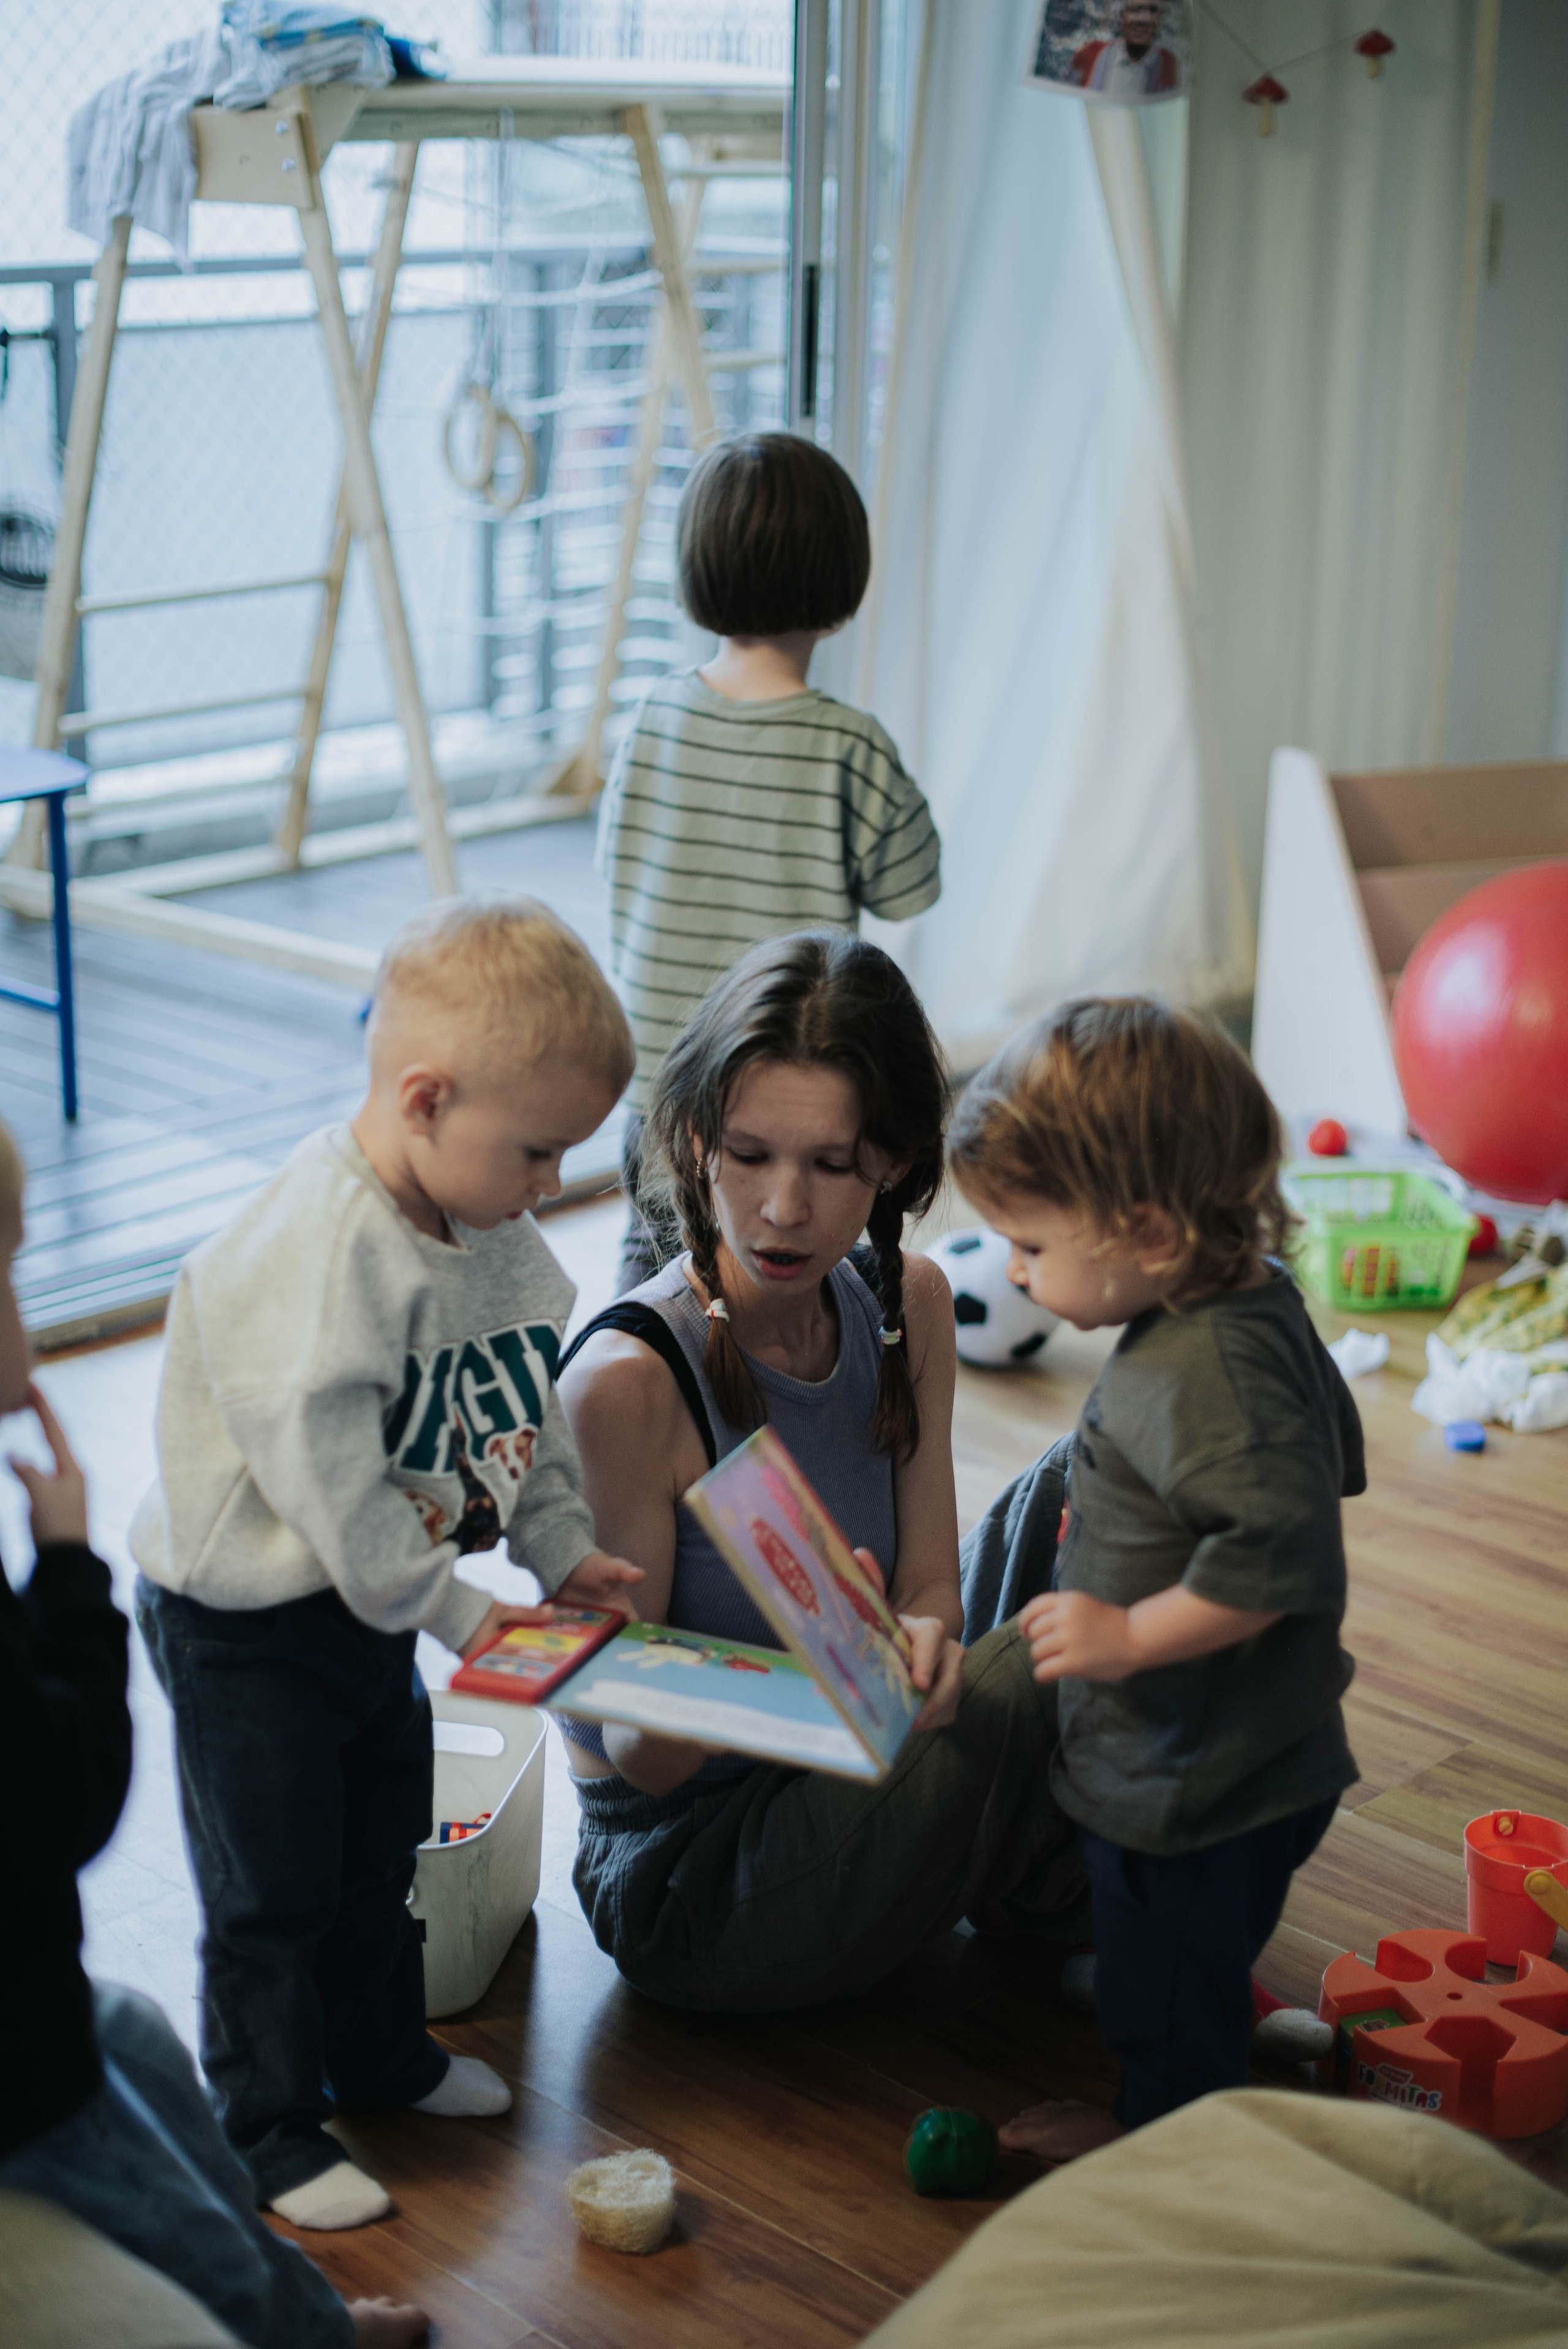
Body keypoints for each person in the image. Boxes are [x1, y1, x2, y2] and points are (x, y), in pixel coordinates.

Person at [130, 898, 644, 2233]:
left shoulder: (496, 1248)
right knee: (273, 1886)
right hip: (246, 1621)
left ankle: (381, 2057)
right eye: (534, 1152)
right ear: (424, 1099)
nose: (550, 1185)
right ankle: (266, 2125)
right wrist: (465, 1612)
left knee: (378, 1850)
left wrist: (562, 1551)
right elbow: (340, 1499)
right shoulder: (316, 1259)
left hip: (376, 1609)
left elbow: (514, 1420)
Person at [556, 932, 1086, 2012]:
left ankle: (1037, 1861)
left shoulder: (913, 1305)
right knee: (1036, 1674)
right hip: (693, 1868)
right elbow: (636, 1756)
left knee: (1100, 1468)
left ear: (889, 1162)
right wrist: (775, 1634)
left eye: (831, 1164)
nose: (785, 1209)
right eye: (749, 1155)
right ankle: (1052, 1866)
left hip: (852, 1759)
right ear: (699, 1140)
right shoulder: (623, 1384)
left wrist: (920, 1639)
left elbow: (931, 1586)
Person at [0, 1117, 428, 2347]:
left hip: (41, 1999)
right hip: (13, 2073)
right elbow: (66, 1797)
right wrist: (70, 1572)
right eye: (13, 1269)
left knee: (135, 2025)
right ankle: (302, 2323)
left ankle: (295, 2222)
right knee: (263, 1906)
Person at [946, 997, 1363, 2160]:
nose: (1016, 1273)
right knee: (1191, 1951)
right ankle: (1208, 2017)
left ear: (1149, 1236)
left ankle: (1161, 2133)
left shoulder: (1203, 1367)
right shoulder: (1252, 1300)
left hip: (1191, 1781)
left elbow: (1279, 1559)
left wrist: (1127, 1638)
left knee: (1159, 1971)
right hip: (1247, 1752)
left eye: (1032, 1245)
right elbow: (1323, 1459)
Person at [597, 429, 942, 1292]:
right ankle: (774, 1416)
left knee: (652, 1281)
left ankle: (623, 1417)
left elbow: (619, 869)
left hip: (663, 1085)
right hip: (797, 1095)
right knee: (788, 1277)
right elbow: (913, 886)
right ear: (842, 580)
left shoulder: (652, 718)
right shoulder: (849, 747)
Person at [1069, 0, 1181, 97]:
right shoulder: (1089, 54)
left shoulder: (1171, 66)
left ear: (1161, 18)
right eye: (1135, 9)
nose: (1143, 19)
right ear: (1122, 16)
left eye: (1152, 10)